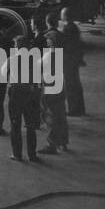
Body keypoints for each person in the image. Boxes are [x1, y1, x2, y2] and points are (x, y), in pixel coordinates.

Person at [6, 29, 43, 163]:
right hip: (30, 93)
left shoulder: (11, 59)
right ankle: (32, 155)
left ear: (18, 47)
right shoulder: (35, 60)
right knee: (30, 125)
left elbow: (2, 73)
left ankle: (17, 154)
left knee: (15, 125)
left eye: (15, 45)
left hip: (16, 92)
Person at [38, 18, 69, 154]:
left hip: (50, 88)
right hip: (61, 87)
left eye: (48, 40)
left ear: (52, 42)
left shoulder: (49, 55)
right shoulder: (61, 54)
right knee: (61, 115)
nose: (46, 42)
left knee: (51, 117)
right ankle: (63, 142)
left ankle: (51, 145)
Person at [60, 8, 86, 115]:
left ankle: (73, 109)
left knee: (70, 85)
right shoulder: (74, 27)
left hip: (69, 60)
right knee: (75, 84)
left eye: (62, 14)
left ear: (65, 16)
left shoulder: (68, 28)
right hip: (74, 59)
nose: (60, 16)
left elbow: (67, 45)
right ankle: (80, 108)